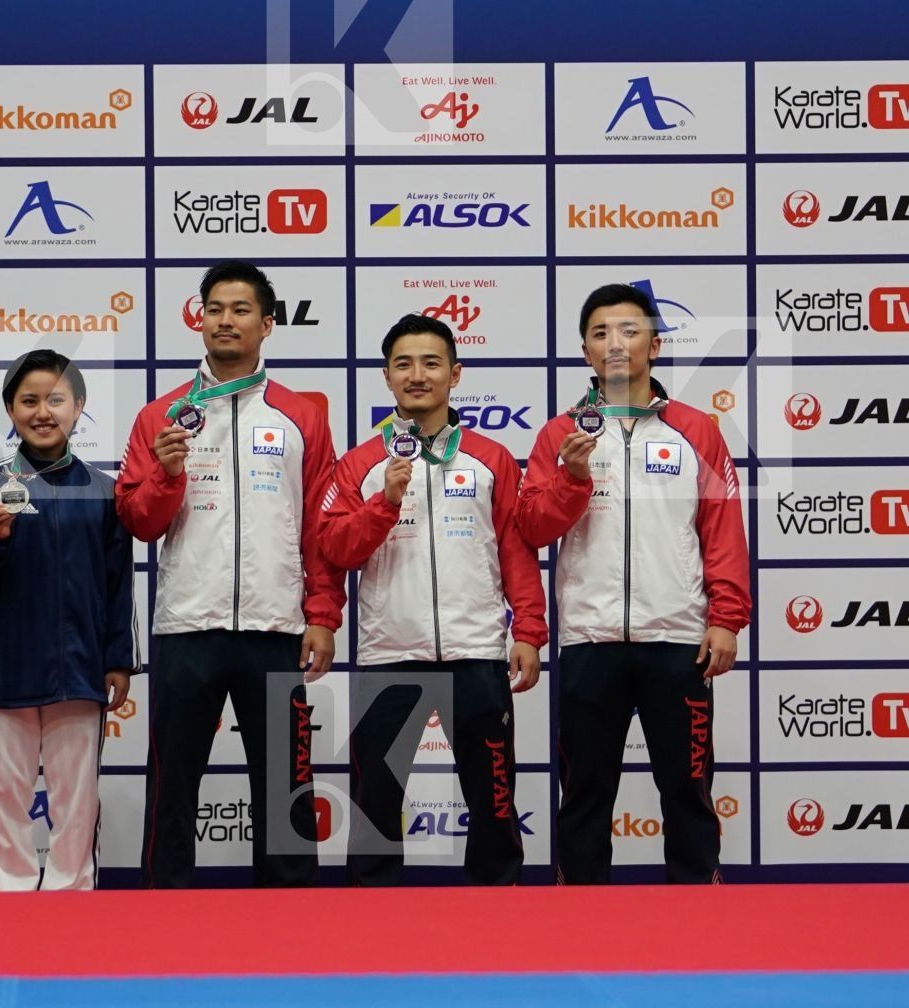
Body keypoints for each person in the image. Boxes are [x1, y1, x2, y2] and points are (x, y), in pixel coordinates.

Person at [117, 260, 343, 888]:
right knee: (172, 785)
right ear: (200, 319)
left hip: (275, 626)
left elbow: (318, 529)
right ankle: (163, 913)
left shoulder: (302, 416)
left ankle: (291, 920)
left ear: (268, 324)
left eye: (241, 309)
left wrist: (322, 615)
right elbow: (139, 520)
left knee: (287, 788)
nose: (225, 320)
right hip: (188, 625)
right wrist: (164, 474)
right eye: (214, 308)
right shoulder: (161, 415)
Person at [516, 283, 750, 885]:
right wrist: (571, 477)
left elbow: (721, 529)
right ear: (585, 352)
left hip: (677, 639)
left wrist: (725, 618)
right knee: (585, 791)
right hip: (592, 640)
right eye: (599, 333)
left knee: (689, 787)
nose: (614, 343)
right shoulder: (558, 434)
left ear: (656, 343)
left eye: (628, 330)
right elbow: (533, 528)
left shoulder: (698, 430)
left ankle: (698, 907)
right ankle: (580, 915)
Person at [319, 313, 546, 886]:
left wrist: (528, 633)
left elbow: (515, 553)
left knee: (494, 795)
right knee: (376, 802)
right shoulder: (361, 464)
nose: (417, 375)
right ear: (386, 378)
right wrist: (384, 503)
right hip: (390, 650)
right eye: (403, 364)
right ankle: (372, 915)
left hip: (476, 650)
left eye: (431, 362)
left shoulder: (492, 459)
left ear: (455, 373)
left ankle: (498, 903)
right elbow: (334, 548)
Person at [0, 349, 136, 891]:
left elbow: (118, 583)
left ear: (79, 406)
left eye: (55, 399)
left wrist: (118, 659)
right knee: (3, 796)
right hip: (5, 666)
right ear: (10, 409)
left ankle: (70, 894)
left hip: (79, 670)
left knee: (76, 796)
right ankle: (12, 894)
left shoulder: (103, 490)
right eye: (28, 400)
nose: (42, 411)